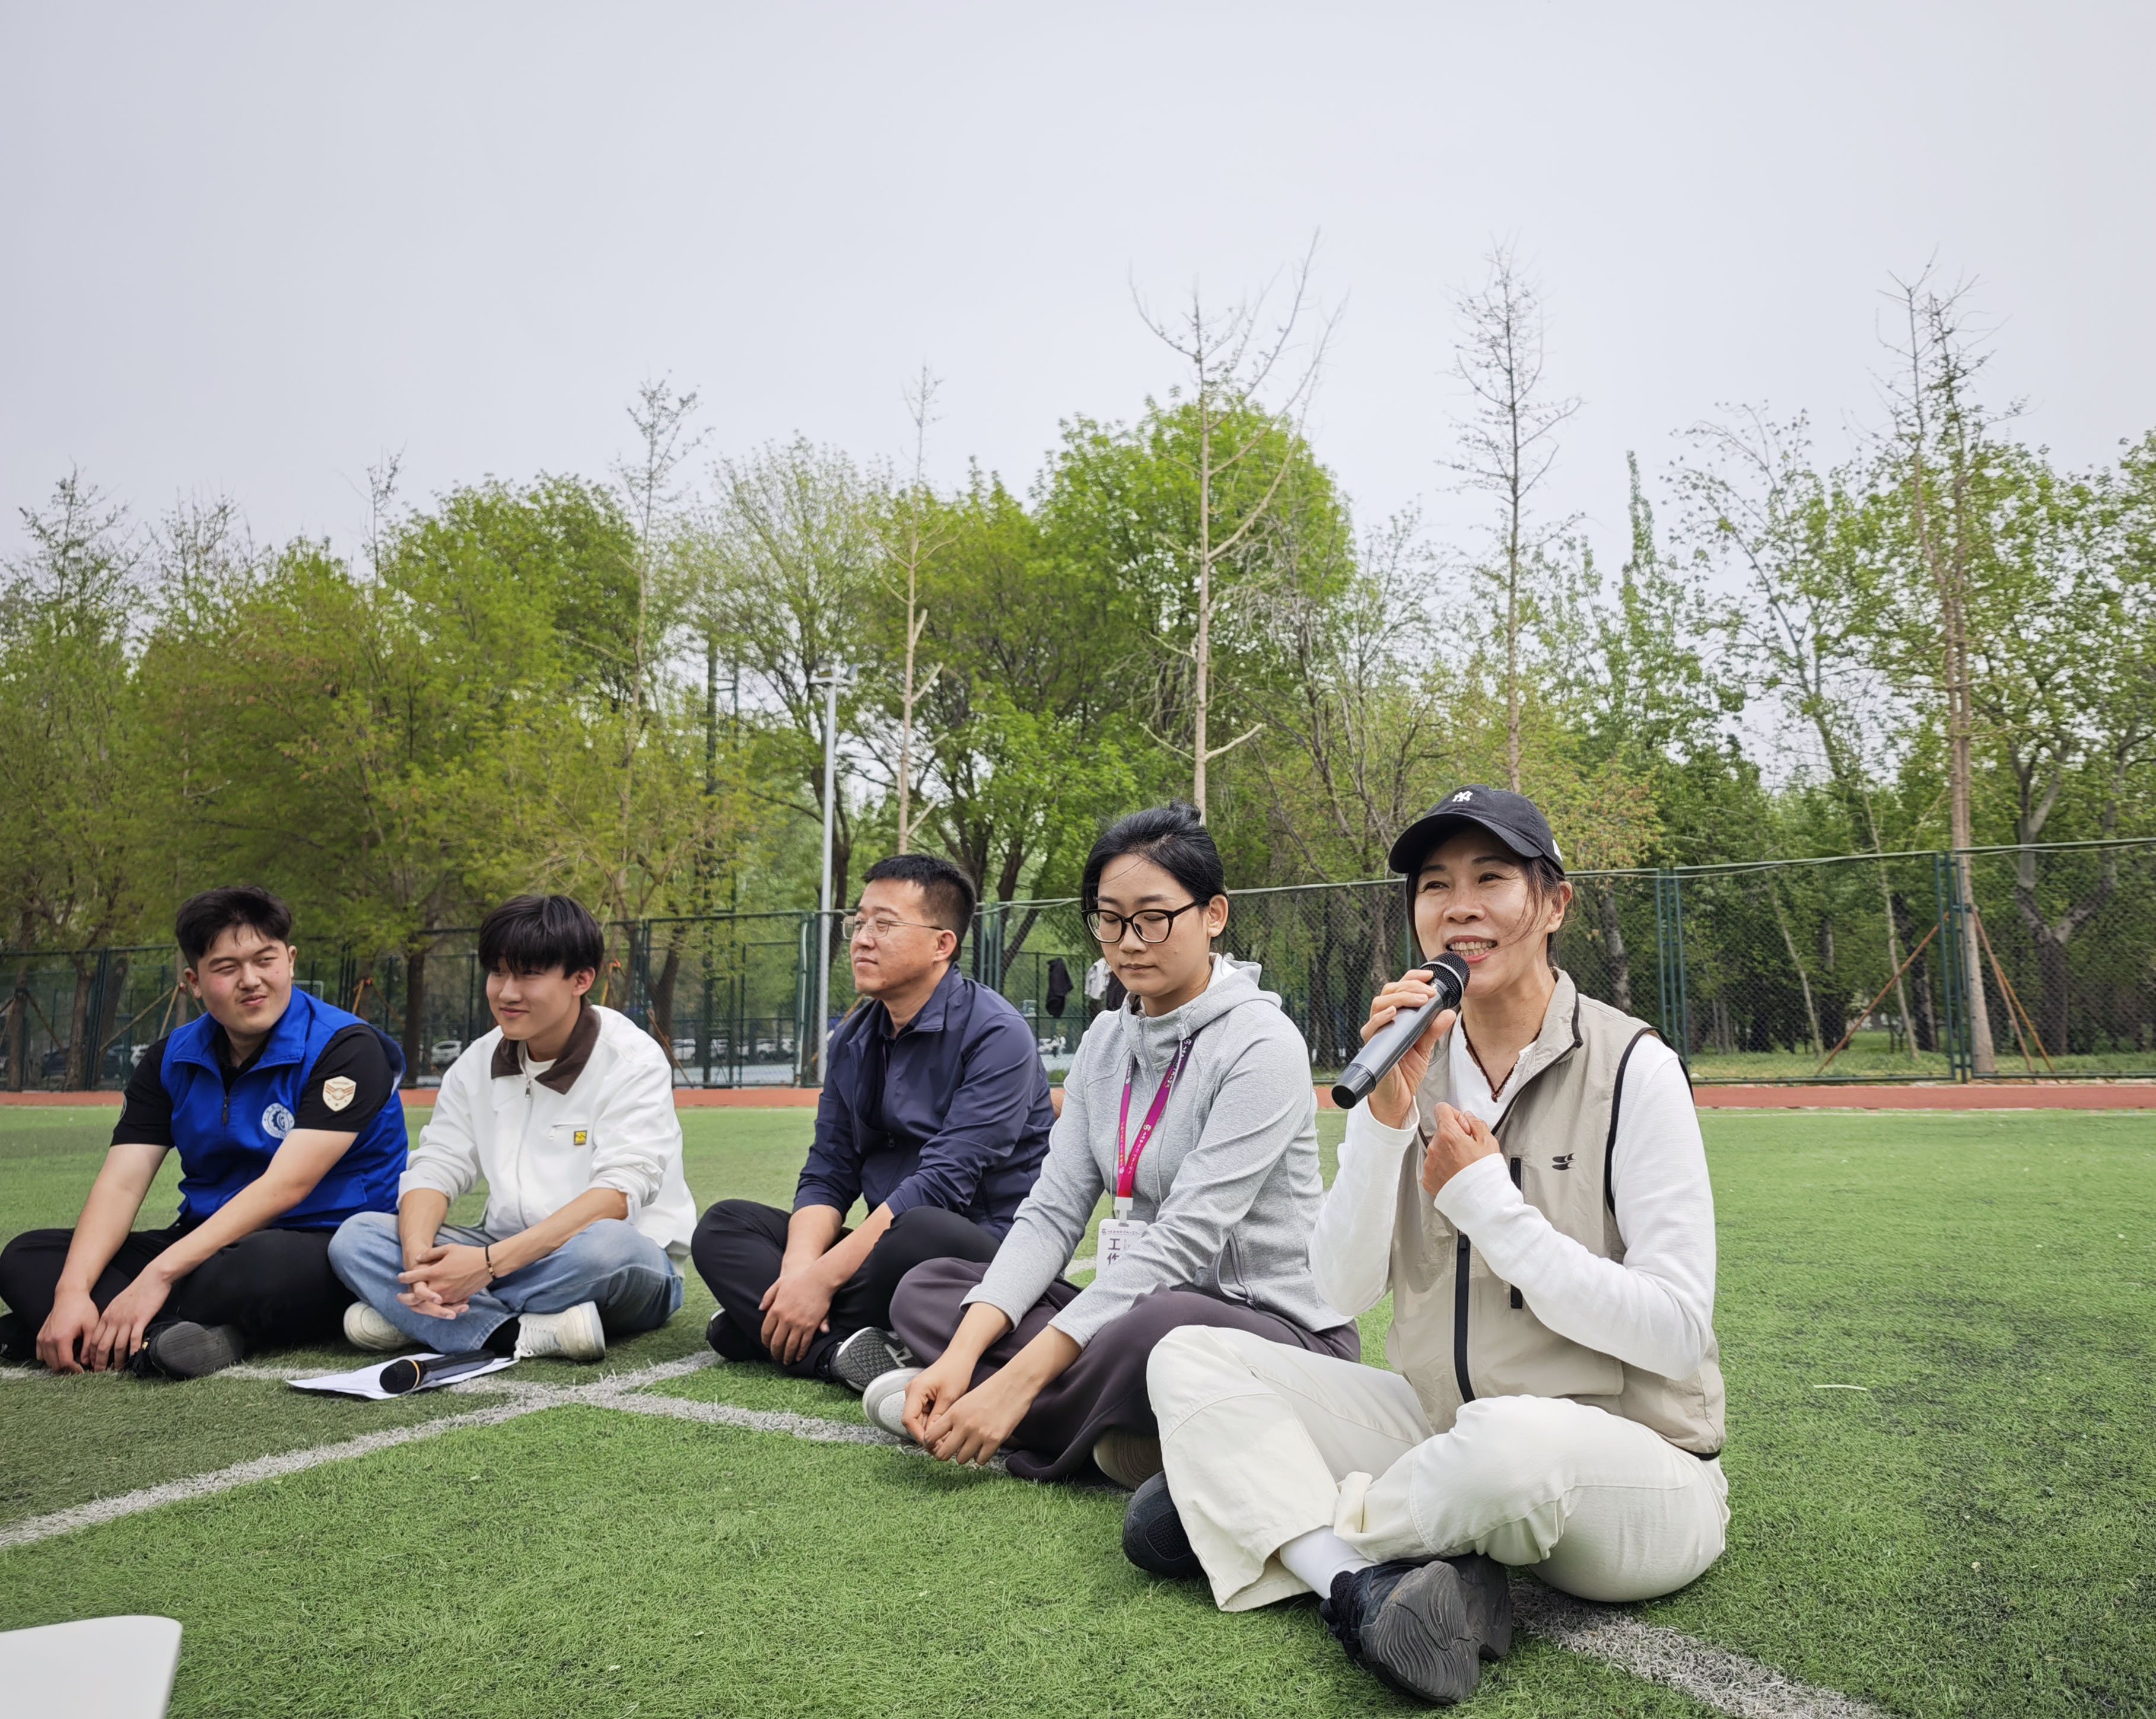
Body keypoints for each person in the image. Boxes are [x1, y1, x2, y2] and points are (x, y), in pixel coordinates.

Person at [1129, 787, 1727, 1708]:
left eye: (1491, 879)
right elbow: (1338, 1287)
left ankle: (1272, 1515)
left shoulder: (1632, 1066)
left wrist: (1486, 1201)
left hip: (1624, 1467)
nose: (1459, 907)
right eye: (1435, 885)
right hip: (1443, 1429)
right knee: (1189, 1354)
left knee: (1511, 1443)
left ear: (1554, 903)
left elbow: (1676, 1332)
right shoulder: (1414, 1061)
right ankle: (1358, 1581)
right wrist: (1383, 1121)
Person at [868, 803, 1357, 1488]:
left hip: (1278, 1333)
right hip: (1137, 1311)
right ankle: (1119, 1430)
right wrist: (961, 1352)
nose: (1128, 943)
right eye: (1109, 919)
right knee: (929, 1288)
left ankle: (1026, 1415)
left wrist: (1014, 1379)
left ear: (1213, 915)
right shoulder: (1104, 1042)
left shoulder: (1261, 1044)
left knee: (1158, 1327)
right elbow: (1052, 1212)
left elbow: (1187, 1236)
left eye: (1153, 918)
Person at [0, 887, 405, 1380]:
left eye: (265, 960)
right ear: (193, 981)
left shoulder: (346, 1047)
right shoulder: (170, 1058)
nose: (251, 981)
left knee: (259, 1269)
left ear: (290, 961)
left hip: (321, 1241)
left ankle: (94, 1330)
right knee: (27, 1256)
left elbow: (287, 1187)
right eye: (226, 968)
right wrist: (70, 1292)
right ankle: (167, 1339)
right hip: (204, 1243)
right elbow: (122, 1184)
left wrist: (157, 1275)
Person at [691, 854, 1055, 1391]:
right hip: (881, 1247)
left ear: (942, 945)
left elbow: (942, 1185)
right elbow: (829, 1169)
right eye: (859, 923)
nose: (862, 940)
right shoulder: (854, 1039)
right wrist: (798, 1277)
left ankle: (764, 1325)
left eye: (884, 925)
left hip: (974, 1250)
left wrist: (823, 1280)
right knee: (724, 1225)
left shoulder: (998, 1035)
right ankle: (833, 1348)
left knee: (922, 1230)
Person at [328, 894, 696, 1363]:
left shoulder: (631, 1059)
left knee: (609, 1247)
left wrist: (485, 1267)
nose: (506, 993)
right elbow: (436, 1166)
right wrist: (419, 1263)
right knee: (356, 1237)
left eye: (528, 975)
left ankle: (427, 1318)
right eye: (498, 973)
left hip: (617, 1261)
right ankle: (515, 1331)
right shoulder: (476, 1062)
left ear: (582, 979)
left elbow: (618, 1196)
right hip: (502, 1249)